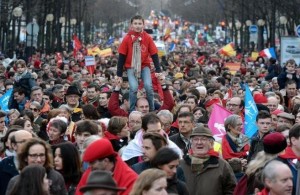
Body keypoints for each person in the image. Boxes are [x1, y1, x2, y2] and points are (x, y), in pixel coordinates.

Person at [116, 15, 162, 113]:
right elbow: (121, 56)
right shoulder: (127, 38)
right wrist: (118, 74)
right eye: (135, 23)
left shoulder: (147, 37)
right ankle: (132, 110)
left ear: (143, 25)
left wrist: (158, 69)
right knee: (133, 87)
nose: (137, 26)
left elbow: (154, 54)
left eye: (139, 23)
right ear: (131, 25)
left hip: (144, 65)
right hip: (131, 66)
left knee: (148, 86)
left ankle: (151, 109)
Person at [180, 126, 236, 195]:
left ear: (211, 143)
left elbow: (232, 190)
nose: (199, 142)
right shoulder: (181, 164)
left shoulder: (222, 165)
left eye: (203, 139)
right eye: (196, 139)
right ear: (191, 143)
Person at [0, 130, 33, 195]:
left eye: (31, 142)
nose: (29, 145)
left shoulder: (40, 163)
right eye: (24, 142)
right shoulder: (3, 165)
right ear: (14, 145)